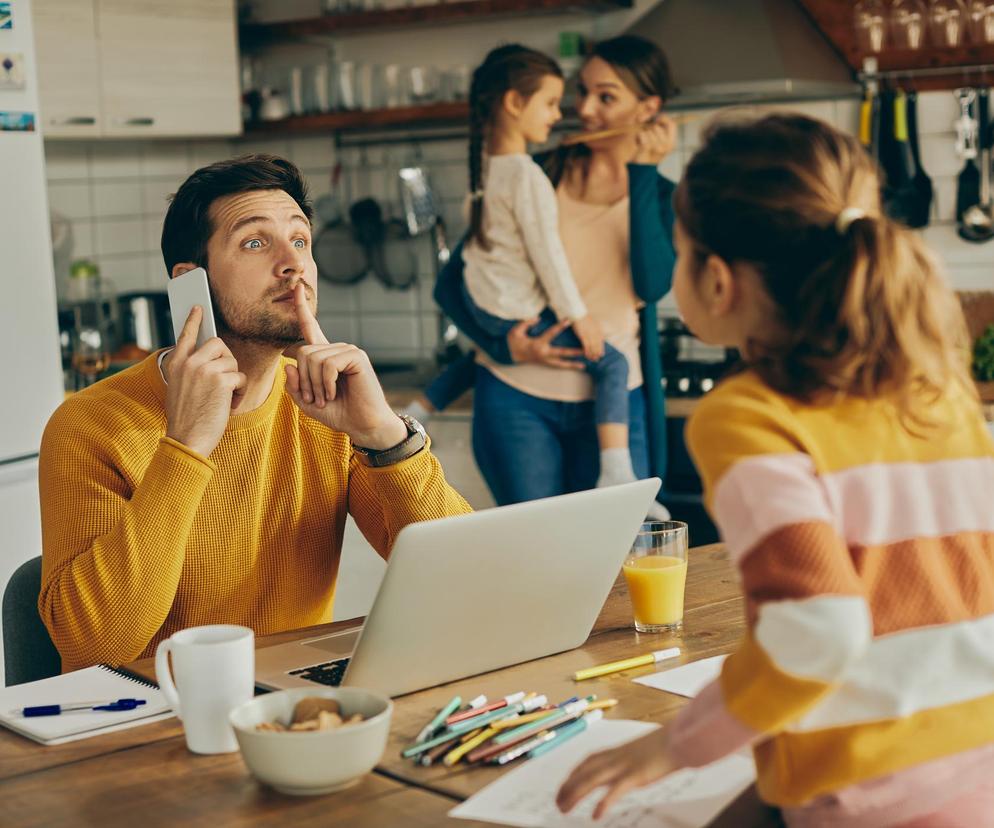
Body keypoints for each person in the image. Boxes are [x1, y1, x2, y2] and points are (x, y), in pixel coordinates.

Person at [556, 114, 994, 826]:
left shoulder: (749, 415)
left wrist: (675, 746)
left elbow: (819, 631)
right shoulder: (937, 386)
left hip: (862, 798)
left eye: (678, 253)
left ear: (718, 281)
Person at [38, 154, 471, 673]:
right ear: (188, 283)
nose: (293, 264)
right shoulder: (92, 424)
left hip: (289, 705)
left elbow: (462, 577)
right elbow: (93, 648)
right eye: (255, 242)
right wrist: (186, 445)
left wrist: (384, 436)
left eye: (300, 240)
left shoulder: (323, 408)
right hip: (147, 719)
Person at [433, 35, 677, 512]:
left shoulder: (662, 194)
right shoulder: (535, 172)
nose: (584, 109)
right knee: (533, 564)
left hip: (613, 404)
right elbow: (452, 285)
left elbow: (651, 285)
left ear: (648, 108)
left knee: (617, 560)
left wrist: (643, 174)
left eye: (606, 97)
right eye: (581, 92)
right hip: (515, 397)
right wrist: (506, 344)